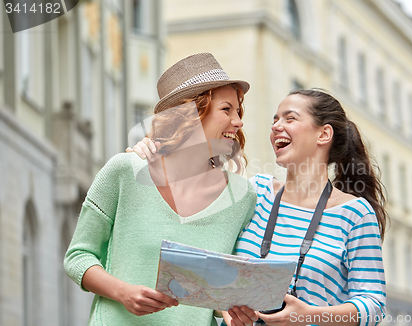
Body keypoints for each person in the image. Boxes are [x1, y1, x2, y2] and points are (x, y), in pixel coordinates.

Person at [131, 89, 388, 326]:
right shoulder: (255, 192)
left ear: (324, 134)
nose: (276, 126)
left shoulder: (356, 214)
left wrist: (307, 315)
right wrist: (154, 154)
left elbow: (374, 306)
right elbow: (192, 208)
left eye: (290, 119)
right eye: (275, 120)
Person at [64, 53, 257, 326]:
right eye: (227, 110)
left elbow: (220, 291)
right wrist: (124, 293)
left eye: (239, 111)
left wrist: (228, 312)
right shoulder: (125, 171)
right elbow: (77, 257)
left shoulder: (242, 196)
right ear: (190, 113)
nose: (238, 122)